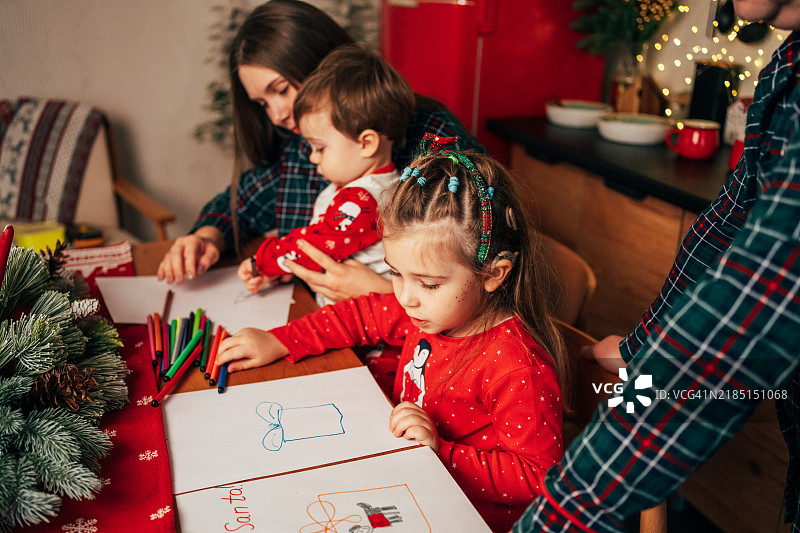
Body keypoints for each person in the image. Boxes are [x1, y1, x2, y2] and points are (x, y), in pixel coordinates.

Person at [513, 1, 800, 531]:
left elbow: (750, 308)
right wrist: (639, 346)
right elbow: (730, 220)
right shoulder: (789, 60)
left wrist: (559, 517)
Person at [215, 140, 570, 532]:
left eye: (429, 284)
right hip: (410, 477)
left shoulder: (518, 367)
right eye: (395, 274)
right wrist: (282, 340)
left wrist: (440, 451)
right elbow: (358, 314)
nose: (404, 297)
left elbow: (540, 478)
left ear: (493, 275)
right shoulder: (433, 312)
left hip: (468, 514)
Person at [156, 0, 482, 305]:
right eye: (262, 103)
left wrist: (380, 293)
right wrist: (207, 236)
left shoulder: (430, 133)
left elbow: (489, 257)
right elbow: (241, 202)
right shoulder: (301, 146)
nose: (276, 115)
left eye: (281, 90)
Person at [237, 44, 413, 308]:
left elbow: (315, 245)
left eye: (319, 148)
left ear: (366, 143)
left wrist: (262, 261)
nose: (312, 157)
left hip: (363, 324)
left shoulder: (361, 199)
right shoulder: (379, 185)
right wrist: (285, 270)